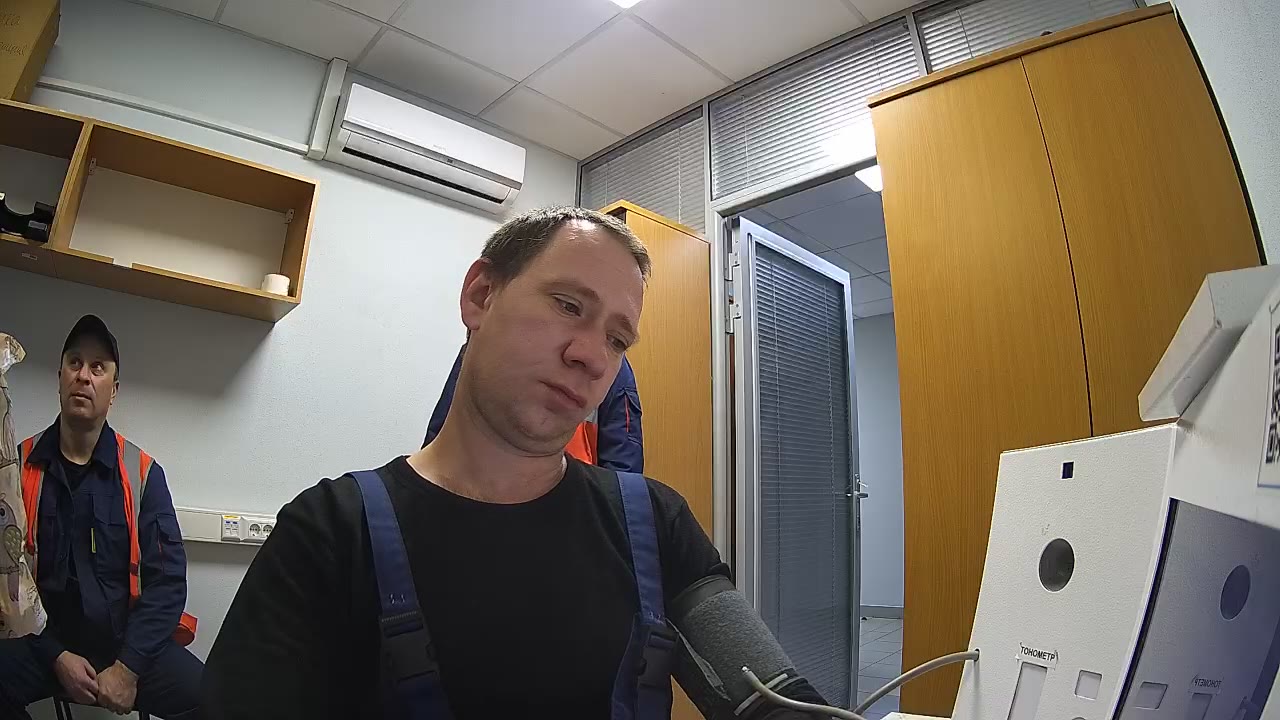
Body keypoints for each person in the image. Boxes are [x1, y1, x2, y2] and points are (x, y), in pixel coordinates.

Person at [203, 207, 827, 719]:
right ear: (480, 295)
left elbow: (773, 698)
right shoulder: (331, 532)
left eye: (617, 338)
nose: (593, 357)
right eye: (569, 305)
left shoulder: (653, 521)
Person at [0, 316, 202, 719]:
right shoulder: (16, 467)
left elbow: (167, 585)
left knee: (212, 699)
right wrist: (56, 655)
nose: (83, 376)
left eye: (98, 367)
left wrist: (128, 669)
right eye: (74, 363)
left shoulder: (143, 474)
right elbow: (7, 579)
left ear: (114, 391)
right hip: (42, 646)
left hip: (125, 648)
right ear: (59, 379)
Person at [423, 345, 643, 472]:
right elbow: (444, 436)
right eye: (567, 306)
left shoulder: (612, 369)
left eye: (617, 338)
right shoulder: (490, 347)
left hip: (576, 509)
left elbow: (623, 463)